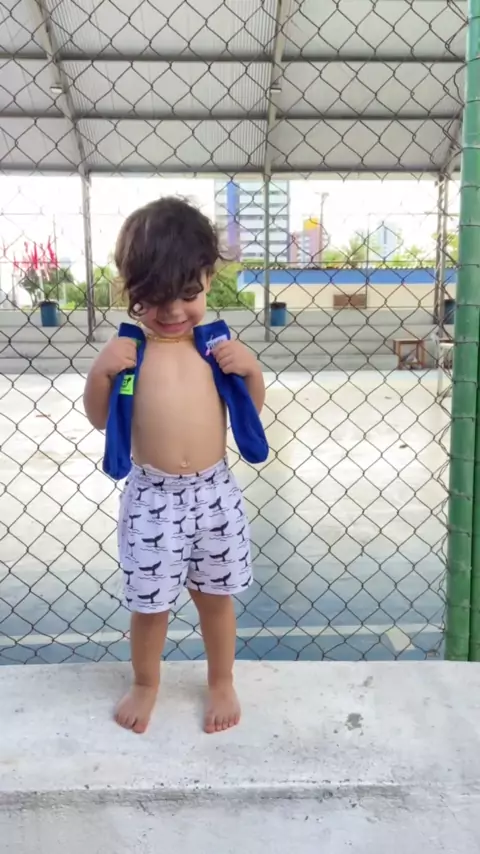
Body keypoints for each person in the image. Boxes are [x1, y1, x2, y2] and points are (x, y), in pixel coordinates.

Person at [83, 197, 265, 735]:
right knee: (150, 606)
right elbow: (100, 418)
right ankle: (146, 683)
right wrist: (100, 373)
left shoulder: (214, 350)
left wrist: (251, 371)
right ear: (130, 290)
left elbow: (247, 412)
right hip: (153, 497)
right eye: (154, 298)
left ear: (208, 279)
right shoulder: (132, 354)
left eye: (188, 294)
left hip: (215, 493)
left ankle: (221, 680)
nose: (172, 311)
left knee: (216, 599)